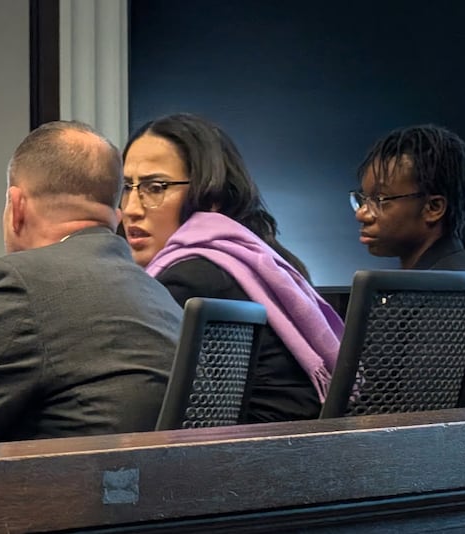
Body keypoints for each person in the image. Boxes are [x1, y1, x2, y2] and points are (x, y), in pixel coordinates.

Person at [0, 121, 183, 450]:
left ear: (17, 206)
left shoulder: (17, 284)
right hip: (142, 493)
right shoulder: (156, 293)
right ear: (115, 216)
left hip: (57, 495)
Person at [120, 113, 343, 423]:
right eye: (128, 187)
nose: (131, 208)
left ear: (210, 195)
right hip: (304, 457)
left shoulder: (191, 278)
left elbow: (143, 409)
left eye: (155, 187)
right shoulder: (265, 259)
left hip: (256, 462)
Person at [351, 124, 465, 406]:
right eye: (363, 199)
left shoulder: (449, 298)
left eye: (380, 200)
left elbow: (422, 422)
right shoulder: (451, 278)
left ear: (433, 208)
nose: (363, 214)